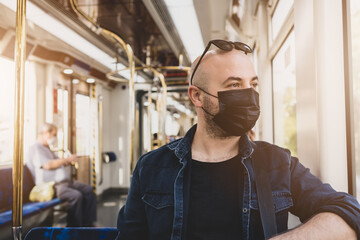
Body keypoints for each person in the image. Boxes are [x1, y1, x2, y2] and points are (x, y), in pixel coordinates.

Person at [115, 40, 360, 240]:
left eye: (252, 84)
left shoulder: (277, 163)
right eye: (234, 85)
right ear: (197, 96)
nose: (249, 96)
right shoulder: (151, 169)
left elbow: (350, 212)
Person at [26, 123, 97, 227]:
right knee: (76, 196)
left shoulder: (47, 148)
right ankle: (74, 228)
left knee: (88, 190)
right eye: (53, 134)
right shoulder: (36, 149)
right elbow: (48, 165)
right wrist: (66, 159)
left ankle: (88, 224)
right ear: (46, 133)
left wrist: (66, 162)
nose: (54, 137)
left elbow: (57, 162)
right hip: (52, 186)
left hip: (64, 182)